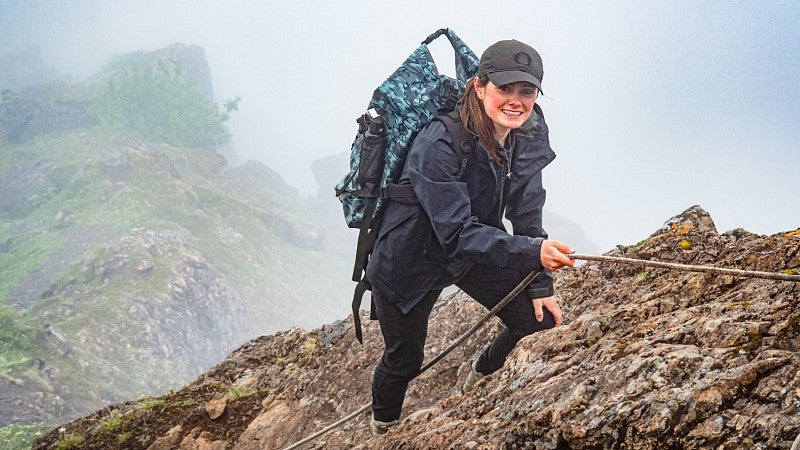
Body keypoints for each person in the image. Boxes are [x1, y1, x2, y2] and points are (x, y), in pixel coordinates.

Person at [364, 38, 575, 435]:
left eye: (526, 91)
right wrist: (533, 252)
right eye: (504, 88)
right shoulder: (438, 142)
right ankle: (384, 428)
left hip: (467, 248)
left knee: (539, 320)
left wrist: (540, 282)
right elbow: (457, 233)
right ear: (479, 87)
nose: (516, 100)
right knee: (404, 358)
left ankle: (480, 377)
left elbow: (528, 214)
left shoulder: (523, 140)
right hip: (408, 259)